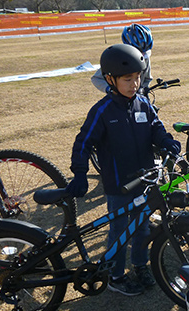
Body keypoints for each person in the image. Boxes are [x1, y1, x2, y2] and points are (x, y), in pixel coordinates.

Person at [66, 44, 181, 296]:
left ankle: (140, 265)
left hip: (145, 181)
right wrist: (80, 173)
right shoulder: (103, 111)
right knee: (119, 231)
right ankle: (115, 276)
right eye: (127, 79)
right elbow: (83, 142)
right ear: (110, 79)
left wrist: (166, 141)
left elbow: (156, 128)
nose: (134, 84)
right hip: (118, 186)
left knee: (141, 228)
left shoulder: (143, 104)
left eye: (138, 77)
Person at [91, 23, 153, 93]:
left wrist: (143, 89)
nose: (142, 56)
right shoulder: (118, 58)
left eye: (144, 53)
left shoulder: (145, 58)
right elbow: (96, 78)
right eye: (139, 52)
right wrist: (110, 89)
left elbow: (147, 78)